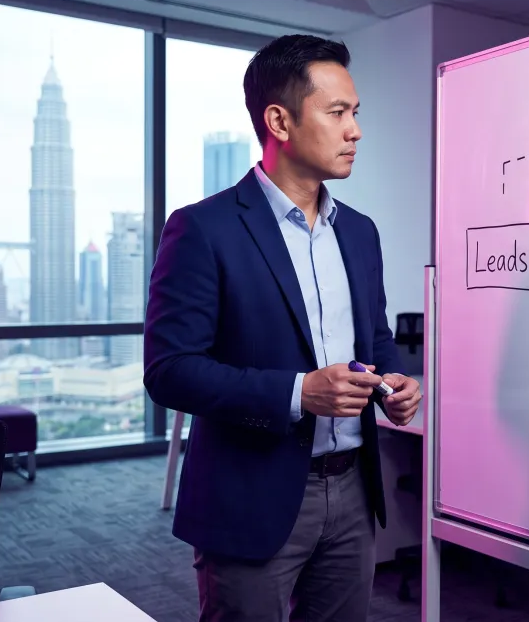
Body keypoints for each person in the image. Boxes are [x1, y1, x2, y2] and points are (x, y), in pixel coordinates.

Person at [143, 33, 422, 622]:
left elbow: (373, 340)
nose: (356, 130)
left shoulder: (360, 232)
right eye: (338, 112)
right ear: (280, 121)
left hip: (352, 491)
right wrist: (299, 392)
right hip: (250, 494)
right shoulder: (203, 229)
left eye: (357, 113)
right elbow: (169, 372)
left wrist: (395, 381)